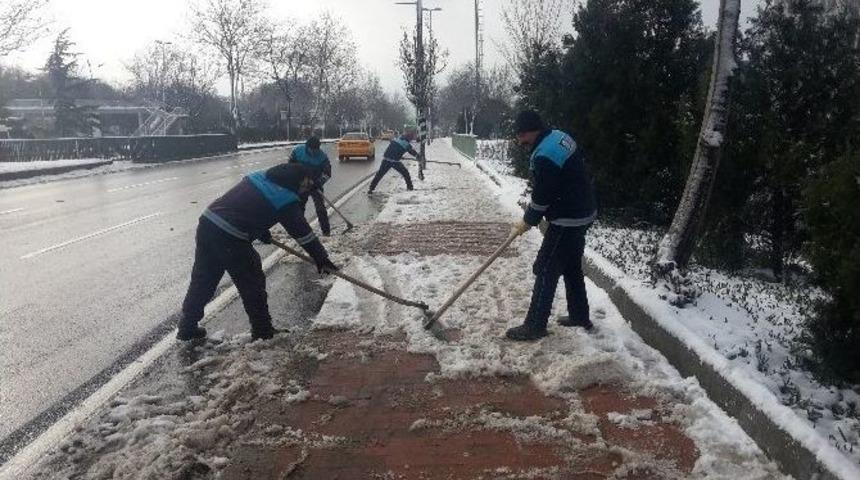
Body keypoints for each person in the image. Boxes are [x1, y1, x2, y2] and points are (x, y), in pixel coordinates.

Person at [176, 163, 338, 342]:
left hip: (208, 223)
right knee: (252, 281)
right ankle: (262, 331)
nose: (304, 189)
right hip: (230, 236)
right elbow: (303, 234)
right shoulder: (284, 198)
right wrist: (321, 258)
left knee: (203, 279)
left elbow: (248, 206)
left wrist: (261, 231)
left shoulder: (260, 177)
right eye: (305, 185)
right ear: (296, 180)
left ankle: (187, 326)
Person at [505, 110, 598, 341]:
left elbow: (543, 196)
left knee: (545, 267)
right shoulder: (558, 136)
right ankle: (579, 315)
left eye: (521, 136)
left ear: (528, 132)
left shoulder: (545, 155)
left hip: (568, 217)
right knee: (570, 265)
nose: (520, 141)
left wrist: (527, 222)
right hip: (584, 211)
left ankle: (535, 325)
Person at [288, 136, 332, 236]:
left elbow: (327, 173)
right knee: (299, 207)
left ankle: (326, 231)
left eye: (315, 150)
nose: (313, 152)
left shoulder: (322, 157)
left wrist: (318, 182)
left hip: (315, 185)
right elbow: (290, 166)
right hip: (301, 185)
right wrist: (296, 178)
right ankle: (300, 230)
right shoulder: (298, 151)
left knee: (320, 208)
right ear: (307, 147)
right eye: (311, 149)